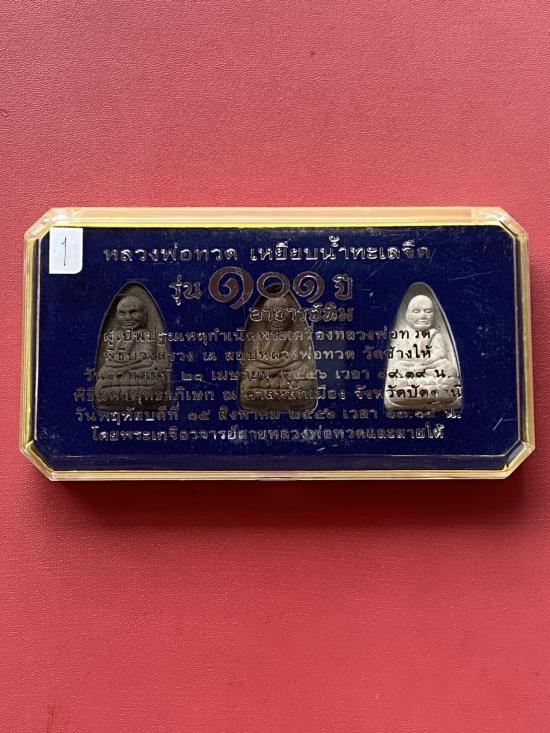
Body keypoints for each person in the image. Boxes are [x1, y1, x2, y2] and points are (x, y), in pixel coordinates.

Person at [239, 294, 317, 411]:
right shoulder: (259, 337)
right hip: (265, 368)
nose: (277, 319)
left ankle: (273, 389)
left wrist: (278, 367)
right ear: (264, 317)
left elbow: (294, 357)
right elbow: (256, 357)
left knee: (303, 368)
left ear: (289, 316)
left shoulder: (294, 336)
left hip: (287, 368)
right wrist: (273, 367)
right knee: (250, 370)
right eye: (271, 314)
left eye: (281, 314)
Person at [385, 293, 461, 410]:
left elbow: (440, 354)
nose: (423, 316)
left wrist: (426, 362)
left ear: (434, 315)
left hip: (430, 365)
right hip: (409, 366)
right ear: (407, 314)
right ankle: (408, 390)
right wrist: (414, 363)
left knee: (447, 367)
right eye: (416, 311)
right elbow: (401, 354)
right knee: (397, 368)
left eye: (428, 311)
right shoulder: (405, 334)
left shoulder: (434, 334)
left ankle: (437, 391)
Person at [95, 295, 166, 408]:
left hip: (139, 372)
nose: (128, 317)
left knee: (154, 371)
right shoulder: (114, 336)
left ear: (144, 315)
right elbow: (110, 359)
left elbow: (146, 358)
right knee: (104, 373)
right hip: (117, 372)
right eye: (122, 313)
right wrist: (120, 365)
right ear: (116, 315)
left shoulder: (145, 334)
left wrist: (124, 365)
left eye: (133, 312)